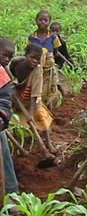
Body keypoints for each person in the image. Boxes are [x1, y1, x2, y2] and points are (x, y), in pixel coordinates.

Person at [9, 44, 56, 153]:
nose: (35, 61)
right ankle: (17, 147)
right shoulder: (15, 64)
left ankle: (48, 144)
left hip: (31, 101)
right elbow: (11, 84)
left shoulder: (37, 71)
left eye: (37, 59)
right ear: (26, 55)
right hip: (15, 99)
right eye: (32, 57)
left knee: (41, 117)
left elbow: (35, 95)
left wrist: (30, 113)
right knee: (9, 120)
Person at [28, 10, 62, 108]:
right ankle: (37, 106)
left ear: (49, 22)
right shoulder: (32, 38)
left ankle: (49, 106)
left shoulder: (52, 37)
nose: (43, 22)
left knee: (51, 86)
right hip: (36, 67)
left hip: (49, 68)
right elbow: (29, 52)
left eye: (45, 20)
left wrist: (50, 61)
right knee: (37, 86)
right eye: (40, 20)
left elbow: (56, 51)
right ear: (36, 21)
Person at [0, 38, 19, 194]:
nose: (6, 60)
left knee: (3, 151)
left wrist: (2, 116)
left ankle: (12, 193)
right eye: (4, 55)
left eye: (9, 57)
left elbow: (5, 101)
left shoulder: (2, 75)